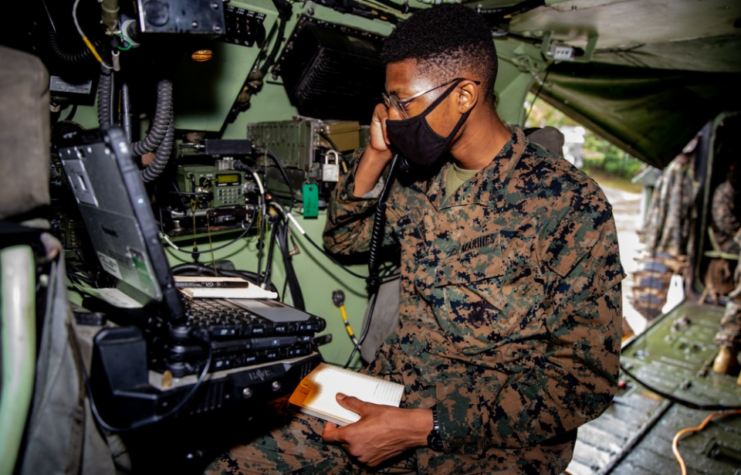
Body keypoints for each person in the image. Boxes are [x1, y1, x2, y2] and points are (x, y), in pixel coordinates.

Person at [207, 5, 623, 474]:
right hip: (390, 390)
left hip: (491, 439)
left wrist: (420, 428)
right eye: (388, 103)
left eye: (403, 102)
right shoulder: (418, 179)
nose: (393, 115)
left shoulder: (570, 204)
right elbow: (344, 240)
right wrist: (375, 154)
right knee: (233, 458)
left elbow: (585, 381)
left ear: (464, 94)